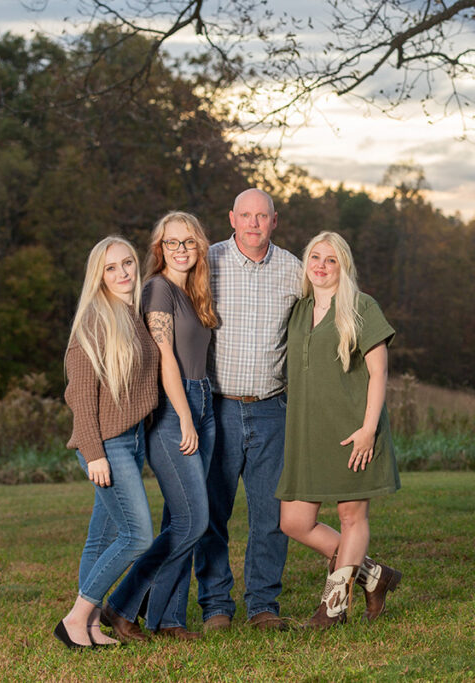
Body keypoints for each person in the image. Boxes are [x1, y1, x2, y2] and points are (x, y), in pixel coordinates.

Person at [277, 231, 402, 628]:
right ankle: (373, 576)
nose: (321, 266)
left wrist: (368, 430)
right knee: (293, 522)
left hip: (353, 431)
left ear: (342, 266)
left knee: (351, 517)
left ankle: (333, 607)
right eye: (315, 257)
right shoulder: (298, 310)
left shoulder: (362, 307)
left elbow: (379, 373)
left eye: (331, 260)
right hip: (306, 433)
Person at [103, 212, 217, 642]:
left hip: (203, 402)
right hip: (174, 412)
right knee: (193, 522)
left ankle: (168, 620)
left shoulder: (195, 291)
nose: (181, 250)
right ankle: (120, 606)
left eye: (188, 242)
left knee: (181, 518)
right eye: (172, 243)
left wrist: (200, 411)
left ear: (199, 246)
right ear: (160, 249)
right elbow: (165, 356)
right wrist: (186, 414)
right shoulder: (157, 289)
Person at [194, 188, 303, 631]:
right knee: (210, 513)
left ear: (274, 221)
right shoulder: (208, 262)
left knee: (270, 515)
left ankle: (262, 607)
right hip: (216, 408)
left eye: (263, 216)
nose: (254, 223)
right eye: (246, 215)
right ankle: (216, 606)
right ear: (231, 219)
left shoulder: (295, 270)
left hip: (271, 409)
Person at [55, 236, 159, 649]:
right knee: (137, 537)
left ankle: (92, 626)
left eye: (128, 263)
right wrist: (94, 453)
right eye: (111, 267)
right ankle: (76, 618)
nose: (123, 273)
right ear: (98, 275)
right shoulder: (94, 321)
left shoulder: (130, 316)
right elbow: (80, 396)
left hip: (130, 440)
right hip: (106, 445)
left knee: (101, 538)